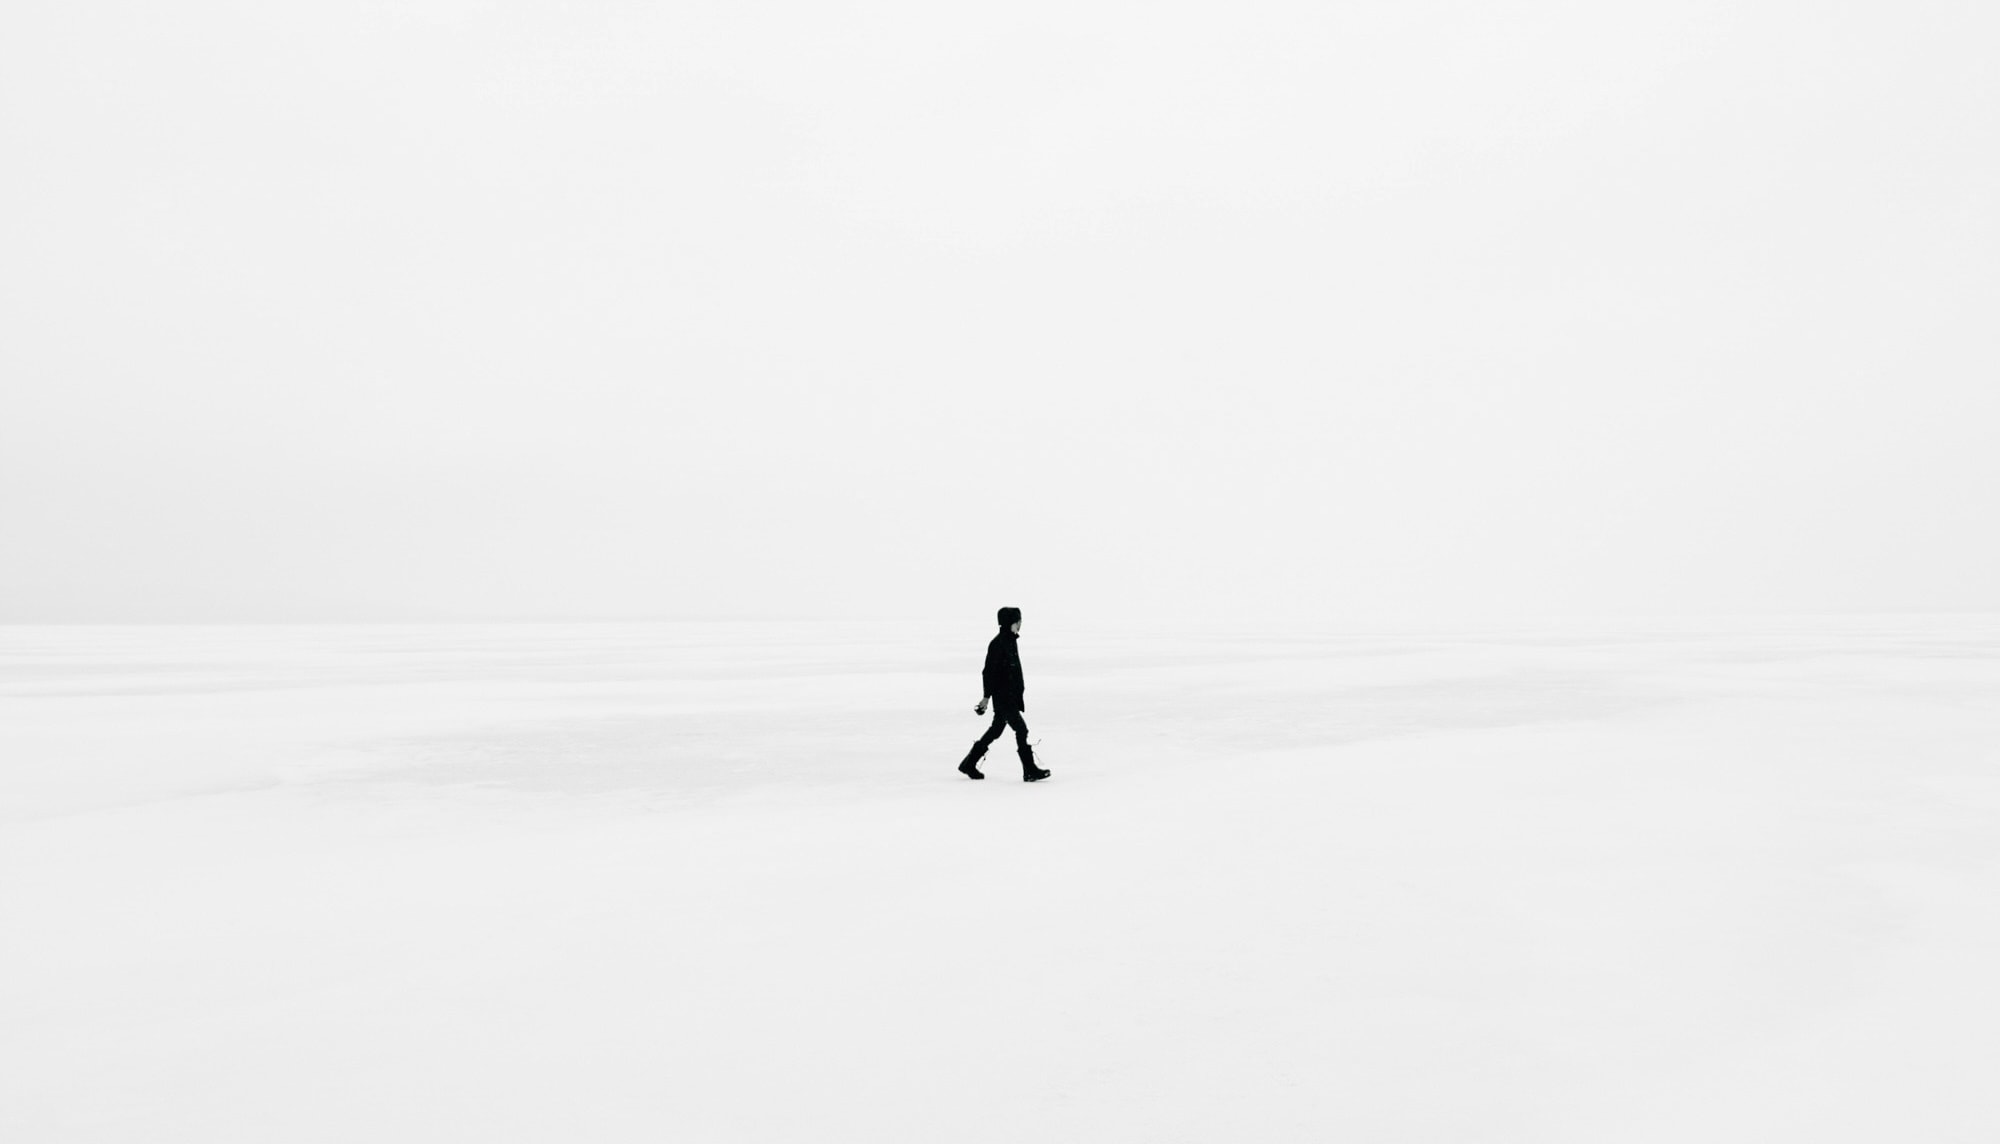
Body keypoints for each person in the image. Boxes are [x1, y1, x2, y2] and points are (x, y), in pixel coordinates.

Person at [959, 606, 1051, 782]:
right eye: (1019, 620)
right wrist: (986, 697)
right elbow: (988, 672)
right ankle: (1029, 770)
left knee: (996, 730)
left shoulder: (1010, 640)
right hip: (1004, 696)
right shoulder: (998, 643)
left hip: (1009, 696)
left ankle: (969, 763)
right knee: (1021, 729)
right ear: (1012, 622)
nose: (1021, 623)